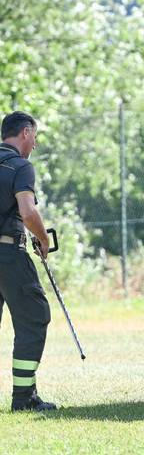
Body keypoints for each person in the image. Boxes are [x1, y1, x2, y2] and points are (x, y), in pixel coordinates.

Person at [0, 111, 55, 411]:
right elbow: (28, 211)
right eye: (34, 136)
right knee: (34, 317)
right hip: (8, 255)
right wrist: (43, 240)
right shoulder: (20, 167)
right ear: (24, 132)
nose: (34, 144)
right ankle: (23, 397)